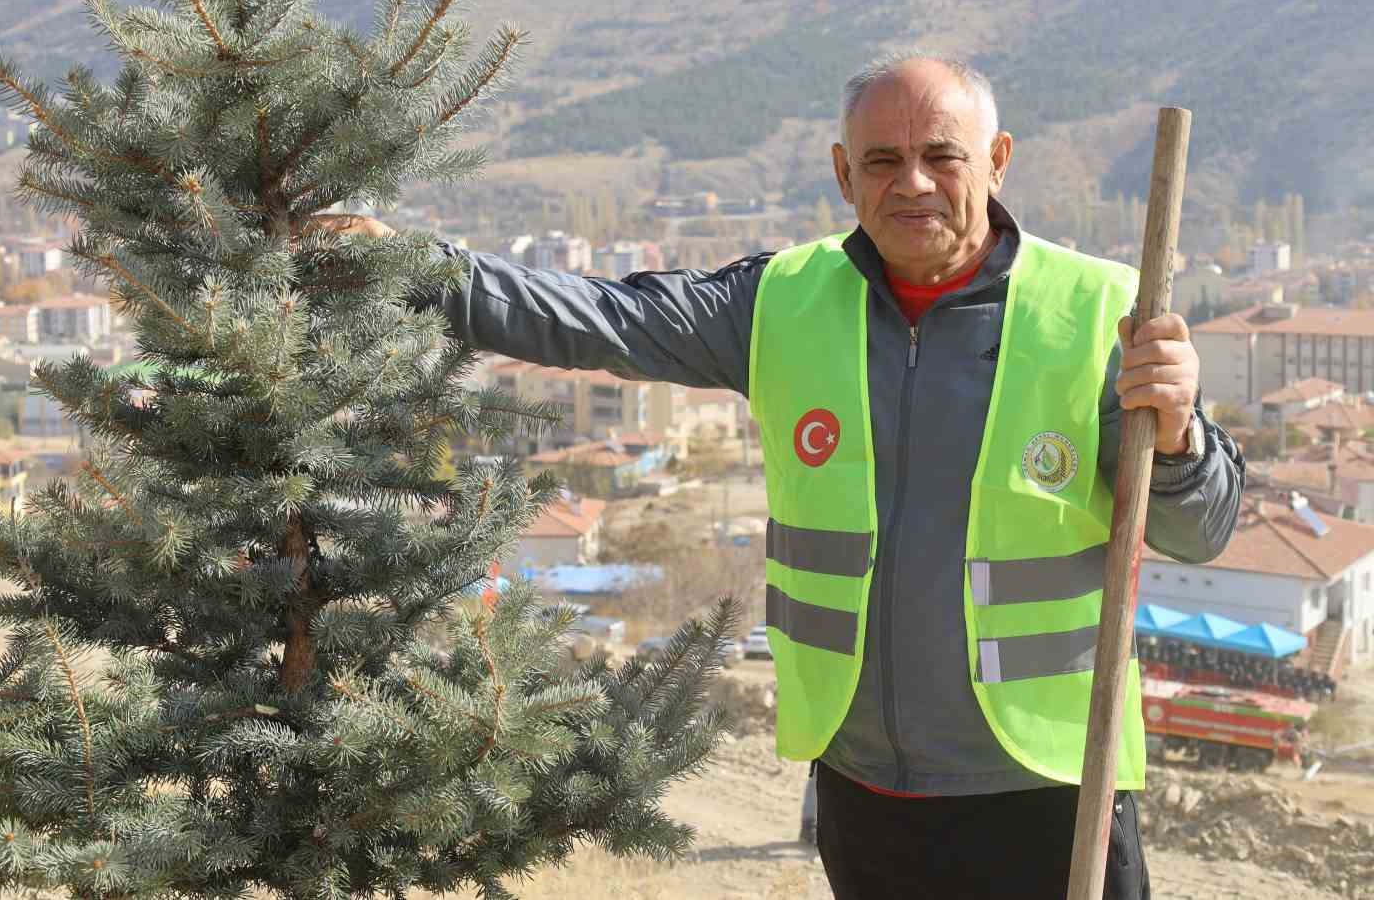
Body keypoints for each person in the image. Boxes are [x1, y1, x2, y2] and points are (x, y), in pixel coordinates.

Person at [326, 53, 1243, 899]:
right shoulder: (780, 301)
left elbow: (1199, 530)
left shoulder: (1107, 311)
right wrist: (408, 267)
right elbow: (597, 315)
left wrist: (1178, 441)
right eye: (881, 160)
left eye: (941, 155)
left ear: (998, 160)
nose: (912, 182)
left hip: (1051, 790)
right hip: (865, 791)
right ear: (844, 175)